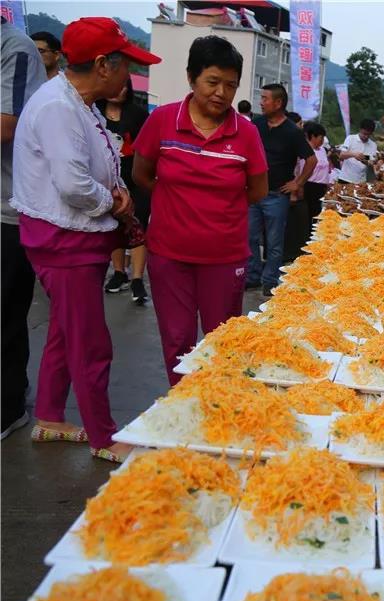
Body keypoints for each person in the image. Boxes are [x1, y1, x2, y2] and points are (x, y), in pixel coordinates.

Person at [12, 17, 161, 463]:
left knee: (64, 331)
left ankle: (50, 415)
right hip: (64, 240)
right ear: (102, 65)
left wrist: (111, 194)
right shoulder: (59, 107)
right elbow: (73, 184)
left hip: (71, 237)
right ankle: (104, 436)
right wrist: (112, 203)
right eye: (126, 66)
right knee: (90, 341)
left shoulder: (79, 102)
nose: (129, 76)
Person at [132, 35, 268, 386]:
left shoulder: (247, 133)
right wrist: (179, 202)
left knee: (221, 341)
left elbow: (258, 190)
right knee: (177, 340)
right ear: (191, 78)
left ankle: (217, 408)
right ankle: (182, 407)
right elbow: (142, 174)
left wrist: (215, 211)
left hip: (224, 258)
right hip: (169, 254)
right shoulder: (162, 121)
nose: (221, 93)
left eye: (230, 85)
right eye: (212, 82)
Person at [2, 17, 47, 440]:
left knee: (6, 313)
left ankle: (9, 405)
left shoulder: (13, 47)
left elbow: (6, 124)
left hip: (7, 209)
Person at [246, 83, 315, 296]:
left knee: (274, 242)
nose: (261, 102)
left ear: (278, 103)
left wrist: (298, 182)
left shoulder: (292, 132)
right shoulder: (255, 125)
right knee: (249, 237)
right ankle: (253, 275)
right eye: (262, 98)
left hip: (277, 194)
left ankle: (270, 279)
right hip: (253, 192)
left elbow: (311, 159)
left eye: (265, 98)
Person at [98, 77, 150, 304]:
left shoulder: (138, 114)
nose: (119, 90)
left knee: (139, 227)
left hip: (135, 178)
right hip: (108, 181)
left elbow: (147, 147)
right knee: (114, 226)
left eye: (124, 86)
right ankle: (119, 272)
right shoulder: (94, 112)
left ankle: (137, 277)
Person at [284, 121, 330, 262]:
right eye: (320, 137)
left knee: (315, 219)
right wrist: (298, 189)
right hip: (307, 186)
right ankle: (297, 251)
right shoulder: (304, 150)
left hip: (320, 188)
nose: (322, 140)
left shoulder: (322, 150)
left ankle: (311, 247)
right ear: (311, 136)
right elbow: (299, 171)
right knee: (303, 220)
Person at [338, 117, 377, 184]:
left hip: (360, 181)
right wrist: (354, 154)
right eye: (364, 133)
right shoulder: (350, 138)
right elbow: (341, 155)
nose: (366, 136)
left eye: (369, 134)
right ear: (360, 129)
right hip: (345, 178)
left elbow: (371, 161)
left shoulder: (373, 145)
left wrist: (364, 159)